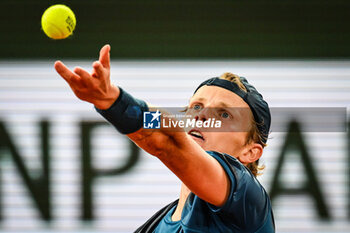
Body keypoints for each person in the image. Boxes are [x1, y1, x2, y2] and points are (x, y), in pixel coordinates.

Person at [54, 44, 275, 233]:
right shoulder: (154, 225)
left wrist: (114, 103)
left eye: (224, 114)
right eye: (196, 106)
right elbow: (162, 134)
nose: (201, 116)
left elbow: (167, 142)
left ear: (250, 152)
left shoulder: (248, 200)